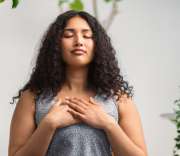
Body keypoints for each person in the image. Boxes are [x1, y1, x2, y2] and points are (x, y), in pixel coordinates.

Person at [8, 10, 148, 156]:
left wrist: (108, 123)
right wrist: (48, 124)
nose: (79, 41)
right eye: (69, 35)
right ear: (56, 44)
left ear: (97, 44)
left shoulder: (119, 98)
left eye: (87, 36)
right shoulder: (32, 97)